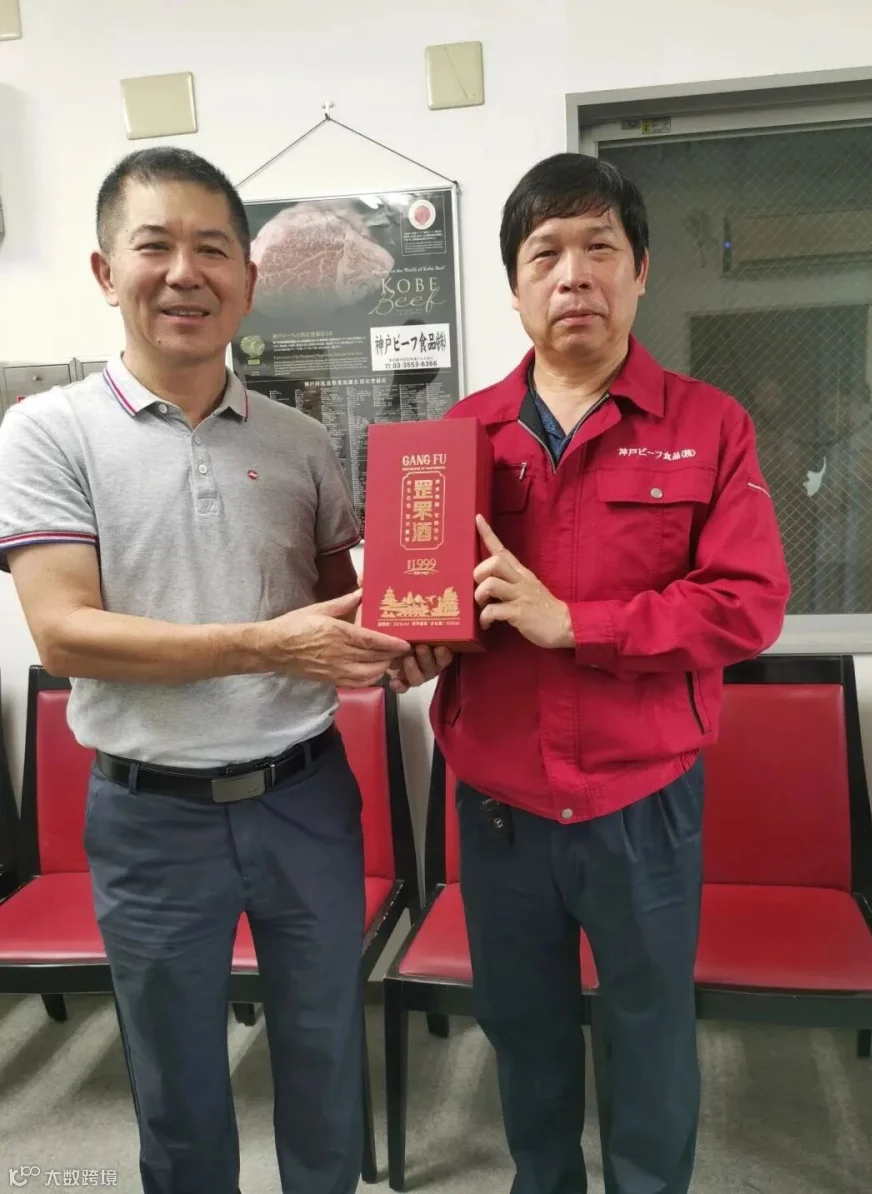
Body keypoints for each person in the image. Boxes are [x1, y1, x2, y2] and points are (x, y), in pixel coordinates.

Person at [0, 147, 447, 1194]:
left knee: (325, 1059)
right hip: (150, 817)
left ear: (248, 279)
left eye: (211, 250)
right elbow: (65, 635)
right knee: (180, 1089)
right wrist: (268, 644)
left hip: (306, 799)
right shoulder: (45, 434)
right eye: (154, 246)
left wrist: (410, 642)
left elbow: (345, 613)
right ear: (107, 271)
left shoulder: (303, 440)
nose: (183, 273)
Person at [427, 154, 791, 1194]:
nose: (573, 275)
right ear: (514, 285)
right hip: (499, 807)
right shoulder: (453, 438)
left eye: (600, 249)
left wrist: (573, 623)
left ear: (641, 272)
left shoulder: (708, 426)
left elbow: (749, 605)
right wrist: (407, 637)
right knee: (523, 1031)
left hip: (644, 804)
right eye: (545, 254)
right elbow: (428, 610)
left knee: (650, 1034)